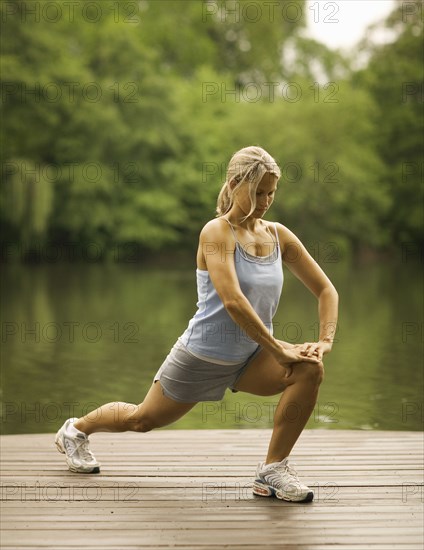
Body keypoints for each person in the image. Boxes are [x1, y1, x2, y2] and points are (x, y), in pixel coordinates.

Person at [55, 145, 338, 503]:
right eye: (258, 192)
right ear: (235, 184)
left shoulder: (279, 235)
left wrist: (324, 341)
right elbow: (234, 302)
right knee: (142, 419)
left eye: (271, 192)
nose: (266, 200)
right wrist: (279, 348)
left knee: (310, 369)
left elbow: (326, 290)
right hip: (203, 354)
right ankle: (76, 430)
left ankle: (272, 471)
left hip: (252, 356)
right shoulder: (216, 232)